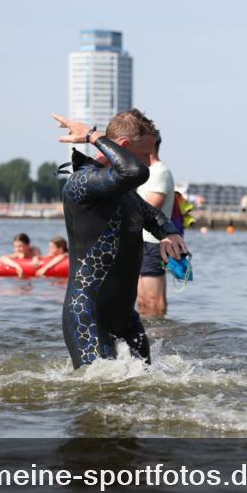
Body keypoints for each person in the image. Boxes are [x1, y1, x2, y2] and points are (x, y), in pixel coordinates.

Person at [52, 110, 188, 369]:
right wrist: (93, 136)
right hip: (89, 318)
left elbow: (153, 214)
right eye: (145, 154)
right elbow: (135, 172)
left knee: (147, 387)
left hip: (126, 319)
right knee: (100, 392)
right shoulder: (82, 183)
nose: (150, 162)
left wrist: (169, 234)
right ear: (123, 147)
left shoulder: (121, 191)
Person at [135, 128, 177, 317]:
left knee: (154, 301)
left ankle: (160, 341)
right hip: (140, 241)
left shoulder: (160, 172)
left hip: (154, 243)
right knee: (142, 301)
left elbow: (150, 209)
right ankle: (145, 339)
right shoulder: (146, 171)